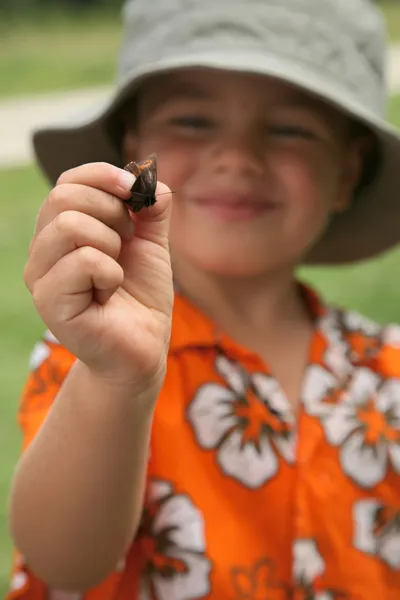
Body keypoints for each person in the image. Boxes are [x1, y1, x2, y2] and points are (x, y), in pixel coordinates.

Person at [6, 0, 400, 598]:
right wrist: (119, 384)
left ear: (349, 172)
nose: (238, 157)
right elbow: (63, 562)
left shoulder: (385, 370)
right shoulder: (95, 358)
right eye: (193, 120)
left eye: (290, 128)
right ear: (131, 147)